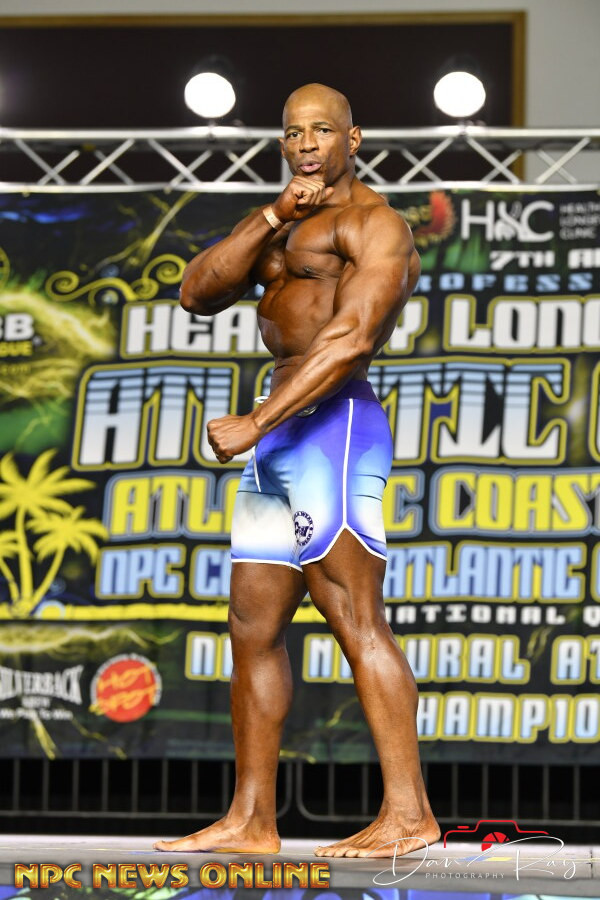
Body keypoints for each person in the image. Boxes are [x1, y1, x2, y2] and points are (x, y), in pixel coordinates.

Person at [154, 83, 440, 859]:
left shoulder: (375, 224)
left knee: (354, 616)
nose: (306, 143)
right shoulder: (284, 220)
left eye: (321, 129)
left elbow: (351, 339)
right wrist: (272, 216)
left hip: (333, 427)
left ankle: (409, 813)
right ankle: (252, 820)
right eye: (292, 132)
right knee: (251, 626)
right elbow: (196, 292)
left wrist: (257, 422)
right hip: (277, 437)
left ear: (354, 138)